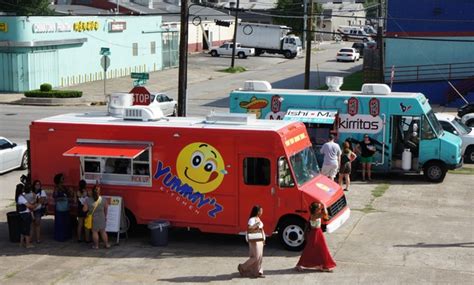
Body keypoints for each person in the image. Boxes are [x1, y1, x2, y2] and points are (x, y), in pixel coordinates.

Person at [295, 202, 336, 272]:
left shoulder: (316, 215)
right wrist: (324, 205)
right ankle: (299, 265)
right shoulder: (314, 216)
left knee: (322, 249)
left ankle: (323, 265)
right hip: (314, 234)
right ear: (315, 210)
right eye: (319, 208)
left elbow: (325, 216)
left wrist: (323, 206)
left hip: (318, 232)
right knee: (309, 249)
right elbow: (325, 213)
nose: (320, 209)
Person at [238, 205, 265, 278]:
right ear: (258, 211)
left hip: (259, 239)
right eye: (261, 210)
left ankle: (258, 272)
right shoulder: (252, 219)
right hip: (254, 240)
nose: (262, 212)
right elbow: (249, 228)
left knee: (259, 257)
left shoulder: (258, 218)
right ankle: (243, 266)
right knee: (255, 257)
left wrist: (263, 239)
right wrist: (256, 225)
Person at [83, 185, 110, 249]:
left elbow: (85, 209)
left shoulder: (88, 200)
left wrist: (84, 205)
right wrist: (105, 216)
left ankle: (96, 246)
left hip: (93, 219)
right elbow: (106, 208)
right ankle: (106, 244)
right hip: (102, 217)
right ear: (99, 192)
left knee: (94, 232)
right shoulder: (103, 199)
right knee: (103, 231)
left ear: (92, 191)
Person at [15, 183, 37, 248]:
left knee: (23, 229)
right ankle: (28, 244)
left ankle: (21, 243)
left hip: (22, 214)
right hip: (25, 214)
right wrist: (35, 205)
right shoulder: (21, 197)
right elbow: (29, 205)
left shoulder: (19, 197)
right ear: (21, 189)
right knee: (27, 229)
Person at [53, 173, 72, 241]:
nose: (63, 178)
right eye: (62, 178)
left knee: (65, 222)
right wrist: (63, 198)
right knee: (60, 223)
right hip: (59, 208)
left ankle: (65, 236)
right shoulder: (56, 188)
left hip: (66, 207)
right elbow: (55, 198)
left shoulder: (64, 187)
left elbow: (69, 195)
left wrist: (70, 192)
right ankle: (60, 237)